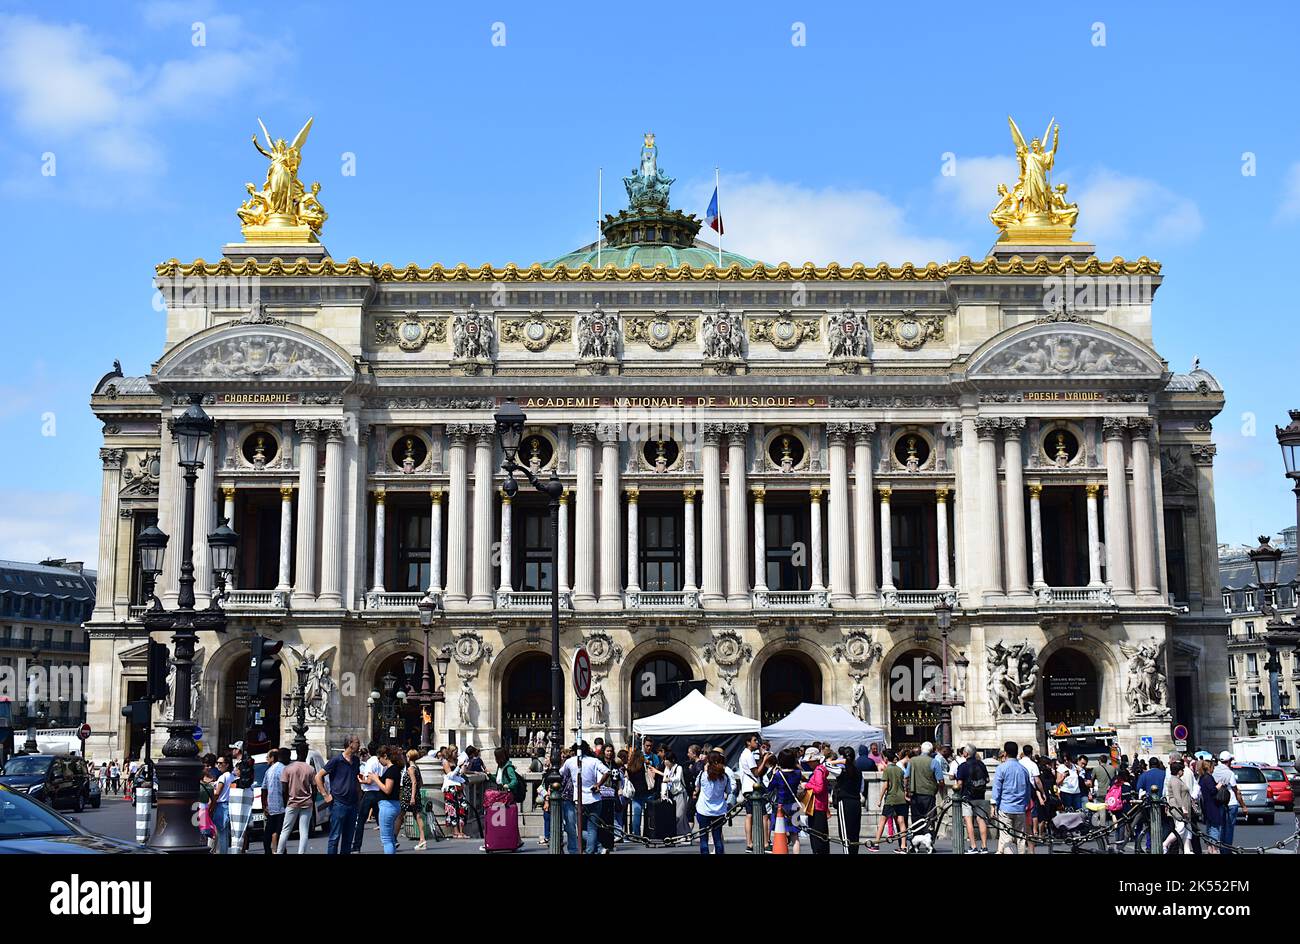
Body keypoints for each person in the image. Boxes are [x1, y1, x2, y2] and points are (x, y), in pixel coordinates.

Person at [561, 741, 609, 854]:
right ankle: (591, 851)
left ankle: (593, 848)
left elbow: (561, 773)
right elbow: (607, 771)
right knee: (592, 828)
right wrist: (598, 784)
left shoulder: (570, 762)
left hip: (580, 799)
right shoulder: (594, 761)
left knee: (581, 828)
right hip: (594, 798)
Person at [316, 735, 362, 855]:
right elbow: (318, 776)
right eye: (357, 742)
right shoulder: (336, 760)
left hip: (352, 804)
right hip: (339, 803)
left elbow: (356, 779)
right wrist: (325, 795)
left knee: (348, 838)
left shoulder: (356, 761)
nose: (359, 744)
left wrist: (359, 796)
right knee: (335, 837)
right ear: (350, 744)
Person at [991, 740, 1032, 854]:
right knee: (1021, 837)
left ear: (1005, 753)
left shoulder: (1001, 768)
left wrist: (993, 805)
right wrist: (1026, 803)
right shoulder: (1023, 770)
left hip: (1005, 807)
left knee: (1006, 837)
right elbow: (1028, 790)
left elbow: (997, 789)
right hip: (1020, 808)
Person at [365, 745, 403, 855]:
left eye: (379, 758)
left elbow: (387, 790)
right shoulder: (395, 769)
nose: (379, 760)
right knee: (390, 838)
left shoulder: (391, 770)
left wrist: (376, 779)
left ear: (385, 756)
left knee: (386, 840)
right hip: (393, 804)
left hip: (387, 805)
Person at [693, 750, 733, 854]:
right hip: (719, 811)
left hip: (703, 810)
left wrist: (705, 769)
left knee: (704, 839)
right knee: (717, 839)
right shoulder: (724, 777)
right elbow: (729, 791)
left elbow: (696, 786)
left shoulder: (703, 775)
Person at [954, 745, 991, 854]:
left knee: (968, 820)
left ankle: (973, 846)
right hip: (980, 796)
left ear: (966, 754)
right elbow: (987, 779)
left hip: (967, 797)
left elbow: (960, 783)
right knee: (981, 820)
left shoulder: (962, 766)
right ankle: (984, 846)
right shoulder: (981, 764)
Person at [871, 749, 908, 853]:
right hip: (901, 799)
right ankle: (904, 846)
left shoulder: (887, 770)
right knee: (901, 822)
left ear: (886, 758)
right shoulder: (900, 770)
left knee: (882, 821)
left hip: (891, 798)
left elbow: (885, 786)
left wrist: (879, 799)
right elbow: (903, 784)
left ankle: (876, 844)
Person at [769, 747, 805, 854]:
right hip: (794, 805)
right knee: (795, 835)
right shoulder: (798, 773)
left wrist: (774, 773)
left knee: (780, 833)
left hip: (780, 806)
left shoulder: (778, 775)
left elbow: (769, 788)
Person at [906, 740, 943, 833]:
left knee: (916, 817)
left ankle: (915, 842)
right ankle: (929, 840)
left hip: (915, 793)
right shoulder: (934, 762)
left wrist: (906, 791)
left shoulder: (912, 761)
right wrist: (939, 788)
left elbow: (906, 777)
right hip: (929, 794)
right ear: (931, 751)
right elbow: (941, 780)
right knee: (929, 818)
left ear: (921, 750)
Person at [352, 745, 385, 852]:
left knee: (361, 820)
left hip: (369, 793)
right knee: (381, 821)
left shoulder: (371, 761)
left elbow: (369, 781)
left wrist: (361, 780)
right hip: (379, 792)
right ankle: (392, 840)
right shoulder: (382, 761)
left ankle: (356, 846)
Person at [1213, 751, 1246, 854]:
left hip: (1218, 802)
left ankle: (1221, 847)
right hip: (1230, 803)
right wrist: (1243, 806)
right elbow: (1236, 790)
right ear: (1229, 761)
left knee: (1221, 827)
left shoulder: (1214, 771)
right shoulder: (1230, 773)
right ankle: (1226, 850)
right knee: (1229, 828)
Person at [833, 746, 863, 854]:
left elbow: (826, 765)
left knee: (845, 833)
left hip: (845, 801)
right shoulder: (858, 771)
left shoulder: (841, 771)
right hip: (856, 802)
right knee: (854, 833)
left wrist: (839, 760)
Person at [1162, 759, 1194, 854]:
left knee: (1188, 830)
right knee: (1180, 828)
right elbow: (1177, 796)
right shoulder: (1175, 781)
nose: (1183, 772)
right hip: (1178, 809)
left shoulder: (1177, 780)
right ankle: (1165, 844)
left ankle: (1187, 850)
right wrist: (1182, 808)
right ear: (1178, 771)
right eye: (1182, 770)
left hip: (1182, 808)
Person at [261, 746, 286, 854]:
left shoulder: (269, 771)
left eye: (268, 757)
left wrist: (264, 806)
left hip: (272, 808)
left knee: (269, 834)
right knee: (279, 833)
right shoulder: (284, 769)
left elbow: (264, 789)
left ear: (272, 758)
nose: (267, 759)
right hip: (282, 807)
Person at [806, 751, 832, 855]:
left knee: (816, 838)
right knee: (821, 836)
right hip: (820, 806)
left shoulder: (818, 771)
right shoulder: (821, 770)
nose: (808, 763)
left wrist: (807, 786)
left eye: (810, 761)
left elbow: (819, 788)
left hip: (816, 807)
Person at [441, 746, 470, 840]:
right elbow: (450, 775)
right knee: (452, 809)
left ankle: (462, 830)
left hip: (458, 787)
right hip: (450, 787)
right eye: (455, 752)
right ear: (450, 752)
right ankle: (455, 831)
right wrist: (458, 767)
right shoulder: (445, 762)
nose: (457, 754)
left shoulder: (456, 761)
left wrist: (464, 766)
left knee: (463, 807)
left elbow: (459, 774)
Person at [626, 746, 654, 838]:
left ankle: (636, 834)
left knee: (636, 815)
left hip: (635, 792)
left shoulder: (630, 767)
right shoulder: (642, 766)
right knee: (648, 814)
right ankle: (648, 832)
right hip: (645, 791)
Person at [402, 749, 427, 850]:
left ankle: (393, 838)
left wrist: (412, 796)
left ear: (409, 757)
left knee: (400, 815)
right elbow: (420, 783)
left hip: (409, 794)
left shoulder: (410, 769)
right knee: (418, 816)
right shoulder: (417, 768)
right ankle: (422, 839)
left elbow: (414, 783)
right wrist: (416, 793)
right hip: (415, 794)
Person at [209, 754, 234, 854]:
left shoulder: (223, 777)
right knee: (224, 833)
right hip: (229, 805)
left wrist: (212, 805)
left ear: (227, 765)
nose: (218, 765)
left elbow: (217, 793)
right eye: (217, 763)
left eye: (221, 763)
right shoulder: (232, 776)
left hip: (221, 806)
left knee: (221, 833)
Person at [1197, 757, 1223, 854]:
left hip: (1206, 806)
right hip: (1212, 805)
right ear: (1209, 767)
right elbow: (1212, 790)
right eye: (1213, 767)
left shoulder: (1202, 778)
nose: (1214, 769)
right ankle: (1214, 849)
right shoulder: (1208, 778)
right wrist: (1218, 786)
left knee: (1209, 827)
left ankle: (1209, 848)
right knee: (1214, 827)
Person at [661, 750, 689, 837]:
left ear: (672, 760)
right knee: (677, 816)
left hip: (680, 793)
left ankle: (681, 834)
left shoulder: (678, 768)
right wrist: (663, 793)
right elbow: (664, 782)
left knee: (679, 815)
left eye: (667, 760)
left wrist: (669, 779)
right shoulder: (667, 769)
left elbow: (677, 778)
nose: (665, 762)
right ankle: (686, 834)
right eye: (664, 760)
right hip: (672, 795)